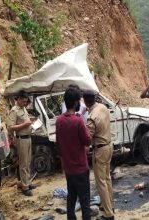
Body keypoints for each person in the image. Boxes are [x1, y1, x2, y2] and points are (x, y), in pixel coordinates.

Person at [56, 87, 92, 220]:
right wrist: (85, 127)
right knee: (85, 201)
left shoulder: (59, 120)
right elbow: (88, 141)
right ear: (76, 103)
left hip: (69, 169)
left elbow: (58, 145)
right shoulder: (78, 121)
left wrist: (63, 163)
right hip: (81, 169)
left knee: (71, 198)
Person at [83, 90, 114, 220]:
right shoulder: (103, 107)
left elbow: (88, 139)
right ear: (95, 98)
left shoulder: (91, 118)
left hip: (100, 150)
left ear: (85, 101)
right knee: (107, 178)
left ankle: (108, 214)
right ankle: (109, 205)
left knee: (100, 181)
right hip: (109, 146)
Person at [7, 90, 35, 196]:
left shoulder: (23, 108)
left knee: (28, 162)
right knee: (23, 164)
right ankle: (25, 187)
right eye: (23, 101)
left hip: (28, 138)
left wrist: (31, 124)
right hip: (21, 139)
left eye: (26, 101)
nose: (25, 103)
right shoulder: (14, 110)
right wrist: (24, 125)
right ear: (18, 99)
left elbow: (25, 122)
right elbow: (10, 127)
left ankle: (27, 182)